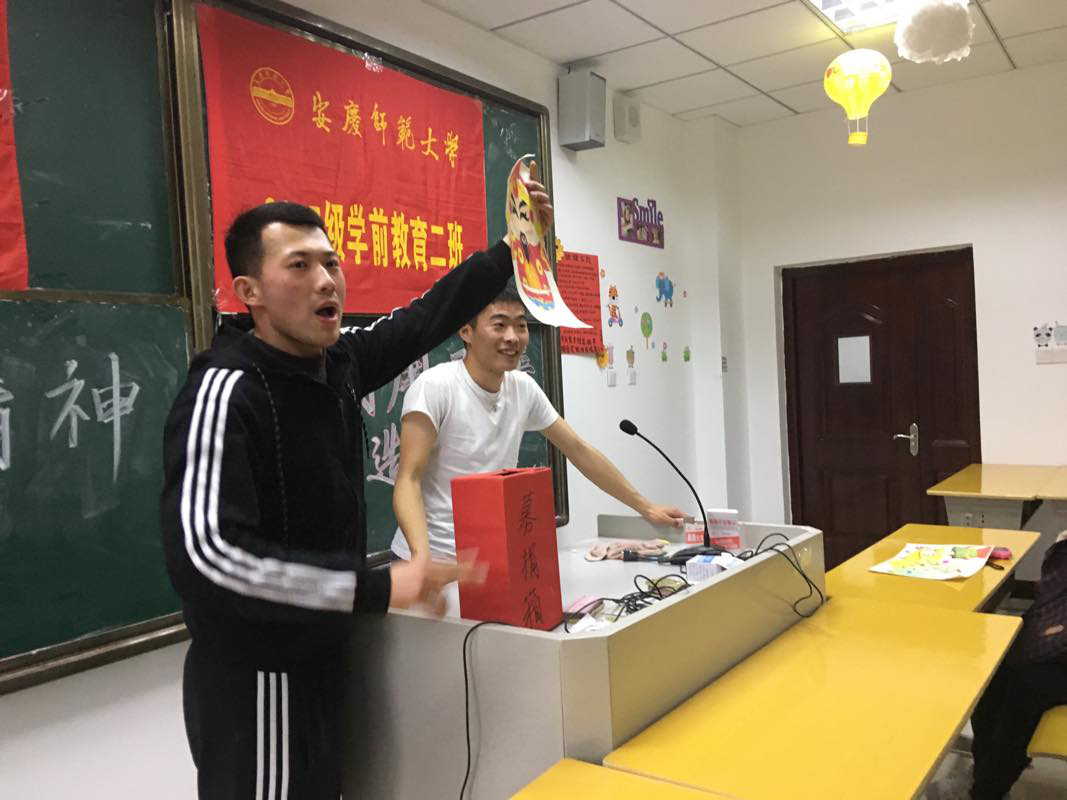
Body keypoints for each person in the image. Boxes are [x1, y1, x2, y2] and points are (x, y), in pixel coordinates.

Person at [160, 182, 552, 797]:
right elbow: (208, 558)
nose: (326, 281)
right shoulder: (227, 390)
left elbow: (426, 318)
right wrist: (374, 586)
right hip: (258, 679)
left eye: (331, 263)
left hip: (328, 657)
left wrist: (511, 249)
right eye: (299, 266)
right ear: (249, 292)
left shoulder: (336, 364)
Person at [389, 282, 686, 611]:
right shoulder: (435, 387)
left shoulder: (522, 388)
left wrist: (645, 508)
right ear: (466, 331)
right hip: (433, 565)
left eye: (521, 325)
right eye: (499, 325)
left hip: (489, 561)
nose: (513, 337)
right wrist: (423, 563)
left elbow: (578, 450)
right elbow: (408, 480)